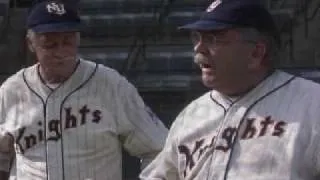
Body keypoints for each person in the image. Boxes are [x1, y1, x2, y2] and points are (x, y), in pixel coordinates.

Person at [140, 0, 320, 179]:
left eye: (213, 38)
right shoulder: (191, 115)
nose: (199, 48)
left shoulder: (312, 104)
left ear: (256, 53)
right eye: (197, 37)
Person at [0, 0, 168, 180]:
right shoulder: (12, 90)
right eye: (50, 44)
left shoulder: (112, 85)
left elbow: (160, 149)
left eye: (68, 42)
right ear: (31, 44)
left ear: (78, 39)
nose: (61, 51)